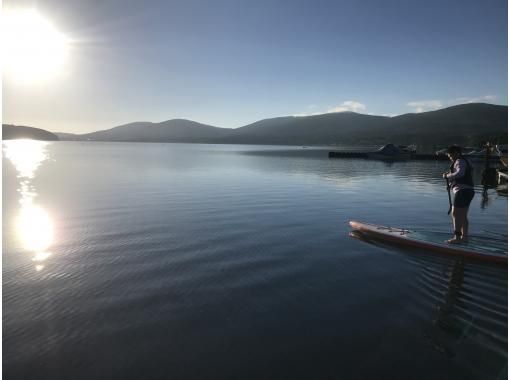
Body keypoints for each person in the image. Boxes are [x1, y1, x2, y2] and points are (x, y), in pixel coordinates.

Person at [442, 145, 475, 244]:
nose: (450, 157)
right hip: (469, 191)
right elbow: (462, 175)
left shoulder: (459, 161)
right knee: (463, 215)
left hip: (462, 191)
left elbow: (460, 173)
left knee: (455, 214)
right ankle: (464, 237)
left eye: (451, 155)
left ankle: (457, 238)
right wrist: (450, 184)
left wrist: (447, 176)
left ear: (456, 152)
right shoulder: (465, 161)